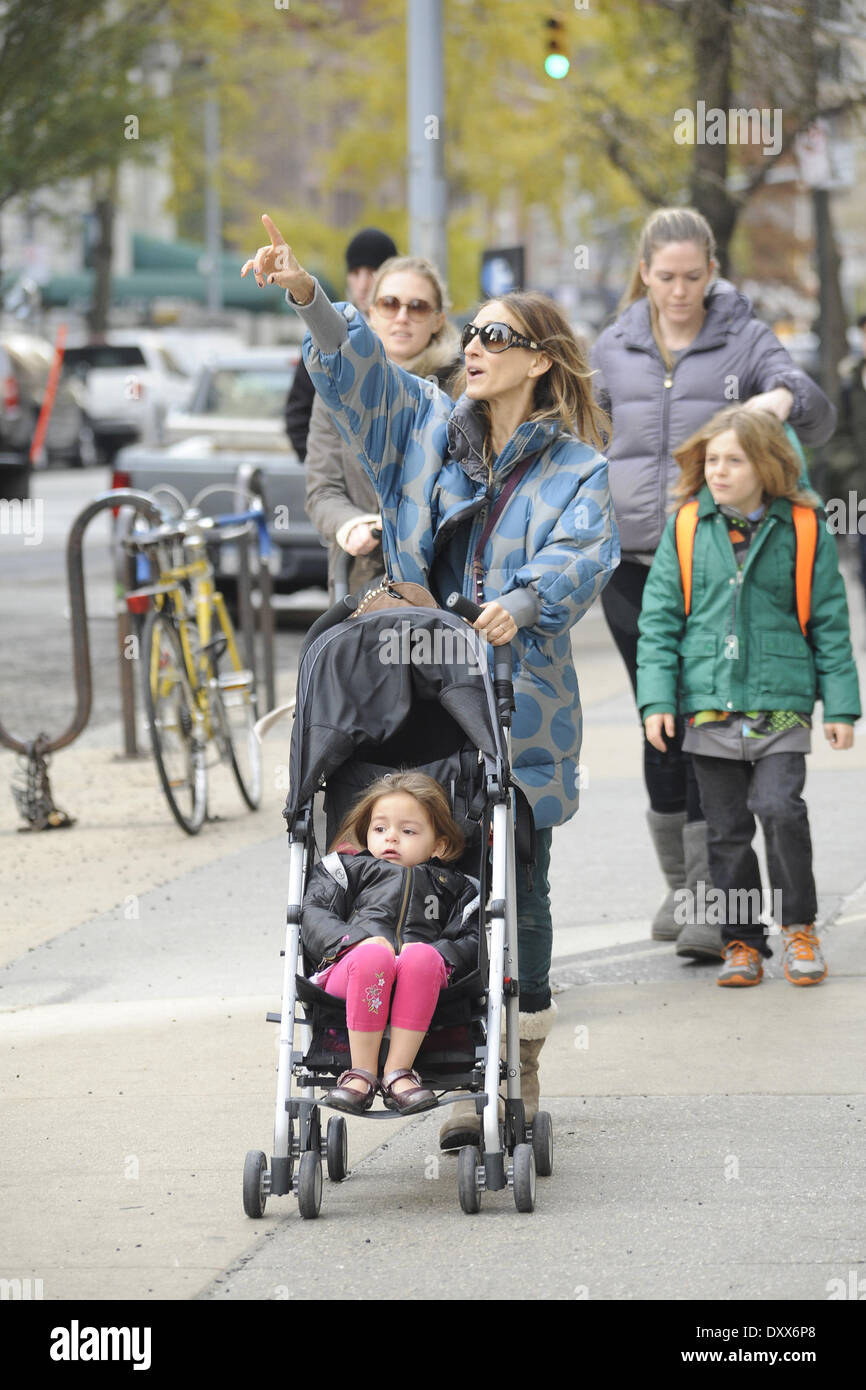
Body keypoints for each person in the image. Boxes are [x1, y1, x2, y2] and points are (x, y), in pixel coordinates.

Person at [242, 213, 618, 1148]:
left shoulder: (578, 470)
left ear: (540, 361)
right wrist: (307, 293)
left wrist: (524, 602)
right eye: (475, 333)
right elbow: (357, 369)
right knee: (412, 861)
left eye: (496, 335)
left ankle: (508, 1075)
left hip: (518, 698)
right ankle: (406, 1048)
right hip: (413, 689)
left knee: (512, 877)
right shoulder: (421, 427)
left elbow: (585, 555)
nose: (476, 348)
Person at [591, 206, 837, 958]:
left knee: (703, 724)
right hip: (631, 566)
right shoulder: (615, 345)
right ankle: (683, 886)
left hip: (710, 563)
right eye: (665, 277)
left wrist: (780, 398)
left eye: (694, 276)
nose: (680, 291)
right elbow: (575, 429)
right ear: (644, 273)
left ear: (713, 270)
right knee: (659, 719)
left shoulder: (745, 336)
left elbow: (817, 410)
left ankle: (709, 902)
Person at [636, 405, 860, 987]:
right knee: (725, 831)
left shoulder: (805, 528)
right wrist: (656, 700)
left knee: (779, 809)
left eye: (734, 460)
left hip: (781, 703)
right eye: (711, 459)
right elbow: (659, 622)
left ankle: (799, 927)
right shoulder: (686, 527)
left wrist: (840, 706)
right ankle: (742, 942)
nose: (718, 470)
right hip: (707, 706)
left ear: (767, 464)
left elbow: (830, 624)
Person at [300, 772, 480, 1114]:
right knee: (373, 955)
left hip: (423, 978)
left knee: (422, 957)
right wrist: (353, 942)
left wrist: (440, 956)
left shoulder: (455, 887)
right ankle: (361, 1073)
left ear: (438, 845)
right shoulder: (348, 871)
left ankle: (399, 1072)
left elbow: (470, 937)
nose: (391, 838)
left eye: (407, 831)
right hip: (352, 970)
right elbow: (314, 914)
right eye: (380, 829)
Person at [305, 254, 461, 600]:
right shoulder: (337, 389)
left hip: (443, 582)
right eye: (390, 304)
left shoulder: (461, 390)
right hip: (363, 582)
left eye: (418, 307)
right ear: (371, 312)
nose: (402, 317)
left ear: (438, 320)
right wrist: (352, 525)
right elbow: (322, 491)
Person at [284, 226, 397, 459]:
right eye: (356, 272)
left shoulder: (406, 333)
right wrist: (328, 472)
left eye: (372, 271)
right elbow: (298, 416)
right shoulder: (325, 334)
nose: (364, 284)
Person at [826, 311, 866, 615]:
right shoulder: (851, 384)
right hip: (862, 494)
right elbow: (837, 438)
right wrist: (855, 478)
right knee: (863, 565)